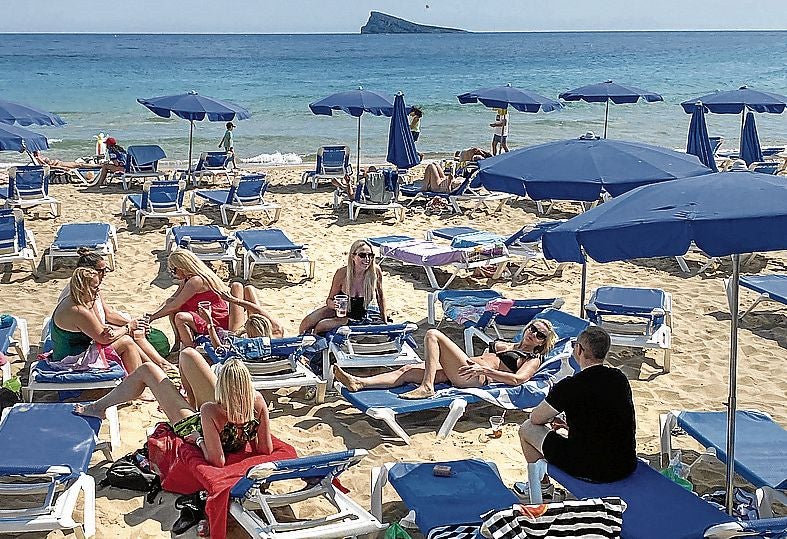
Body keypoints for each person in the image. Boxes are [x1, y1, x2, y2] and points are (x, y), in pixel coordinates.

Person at [76, 352, 272, 467]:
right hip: (228, 417)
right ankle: (188, 401)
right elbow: (266, 449)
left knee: (147, 370)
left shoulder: (210, 410)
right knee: (188, 354)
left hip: (199, 426)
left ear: (223, 385)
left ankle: (97, 407)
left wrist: (199, 440)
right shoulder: (257, 401)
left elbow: (217, 461)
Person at [518, 326, 636, 499]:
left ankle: (542, 487)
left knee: (527, 428)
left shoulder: (570, 386)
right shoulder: (619, 378)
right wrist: (570, 424)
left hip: (589, 468)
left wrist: (552, 418)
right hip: (624, 465)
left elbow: (535, 418)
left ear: (579, 349)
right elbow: (606, 417)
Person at [334, 319, 557, 400]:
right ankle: (359, 382)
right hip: (462, 370)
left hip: (476, 377)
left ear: (542, 343)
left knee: (433, 334)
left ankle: (427, 387)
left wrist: (485, 371)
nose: (534, 334)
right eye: (533, 329)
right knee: (408, 369)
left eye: (540, 335)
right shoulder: (507, 344)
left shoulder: (532, 358)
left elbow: (518, 380)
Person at [56, 249, 174, 371]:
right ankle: (144, 374)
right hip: (73, 359)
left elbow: (107, 316)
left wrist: (133, 324)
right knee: (127, 341)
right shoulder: (80, 306)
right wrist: (127, 327)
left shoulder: (86, 293)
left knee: (132, 333)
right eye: (102, 270)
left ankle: (158, 366)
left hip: (86, 344)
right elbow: (103, 337)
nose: (105, 273)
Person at [51, 267, 146, 373]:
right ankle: (137, 379)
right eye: (95, 287)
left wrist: (110, 330)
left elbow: (99, 327)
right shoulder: (79, 311)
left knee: (124, 336)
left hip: (72, 352)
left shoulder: (77, 300)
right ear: (83, 288)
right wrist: (127, 327)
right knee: (126, 343)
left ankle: (147, 369)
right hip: (71, 360)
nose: (98, 290)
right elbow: (104, 339)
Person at [146, 250, 231, 349]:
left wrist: (152, 318)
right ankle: (178, 341)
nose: (174, 274)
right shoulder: (188, 280)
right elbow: (171, 301)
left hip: (213, 318)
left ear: (181, 267)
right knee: (171, 304)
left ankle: (189, 348)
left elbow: (175, 305)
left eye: (173, 270)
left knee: (180, 317)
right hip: (201, 313)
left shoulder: (196, 281)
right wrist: (151, 314)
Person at [299, 239, 386, 334]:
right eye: (362, 255)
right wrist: (334, 305)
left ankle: (317, 340)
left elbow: (380, 297)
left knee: (321, 326)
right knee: (305, 324)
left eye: (370, 255)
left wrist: (384, 320)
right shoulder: (342, 273)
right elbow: (329, 300)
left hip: (354, 316)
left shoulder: (375, 272)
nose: (367, 259)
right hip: (338, 311)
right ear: (353, 257)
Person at [200, 282, 286, 350]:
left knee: (236, 286)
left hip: (236, 331)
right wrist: (209, 323)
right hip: (257, 339)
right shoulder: (277, 333)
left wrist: (233, 300)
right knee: (248, 289)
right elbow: (258, 311)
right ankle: (245, 289)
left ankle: (242, 287)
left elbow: (219, 348)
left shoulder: (241, 344)